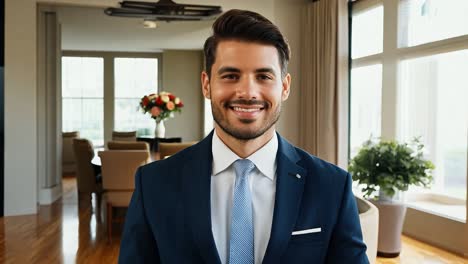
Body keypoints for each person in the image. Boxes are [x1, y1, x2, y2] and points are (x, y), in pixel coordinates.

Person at [119, 9, 369, 264]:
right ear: (206, 84)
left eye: (263, 76)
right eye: (230, 76)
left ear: (284, 86)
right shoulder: (154, 184)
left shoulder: (332, 186)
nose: (248, 92)